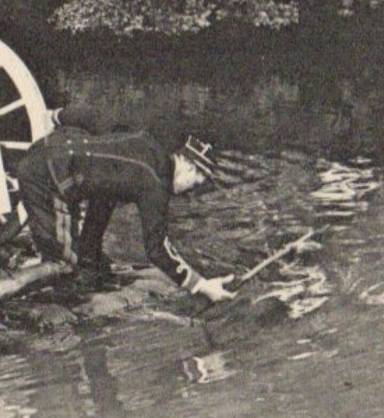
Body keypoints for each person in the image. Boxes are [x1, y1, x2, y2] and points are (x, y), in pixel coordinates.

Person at [15, 127, 239, 303]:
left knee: (74, 262)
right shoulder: (154, 185)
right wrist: (200, 285)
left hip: (48, 153)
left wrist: (90, 253)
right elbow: (157, 249)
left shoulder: (148, 146)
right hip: (48, 178)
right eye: (197, 181)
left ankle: (79, 267)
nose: (192, 189)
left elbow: (104, 194)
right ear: (189, 167)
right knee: (61, 265)